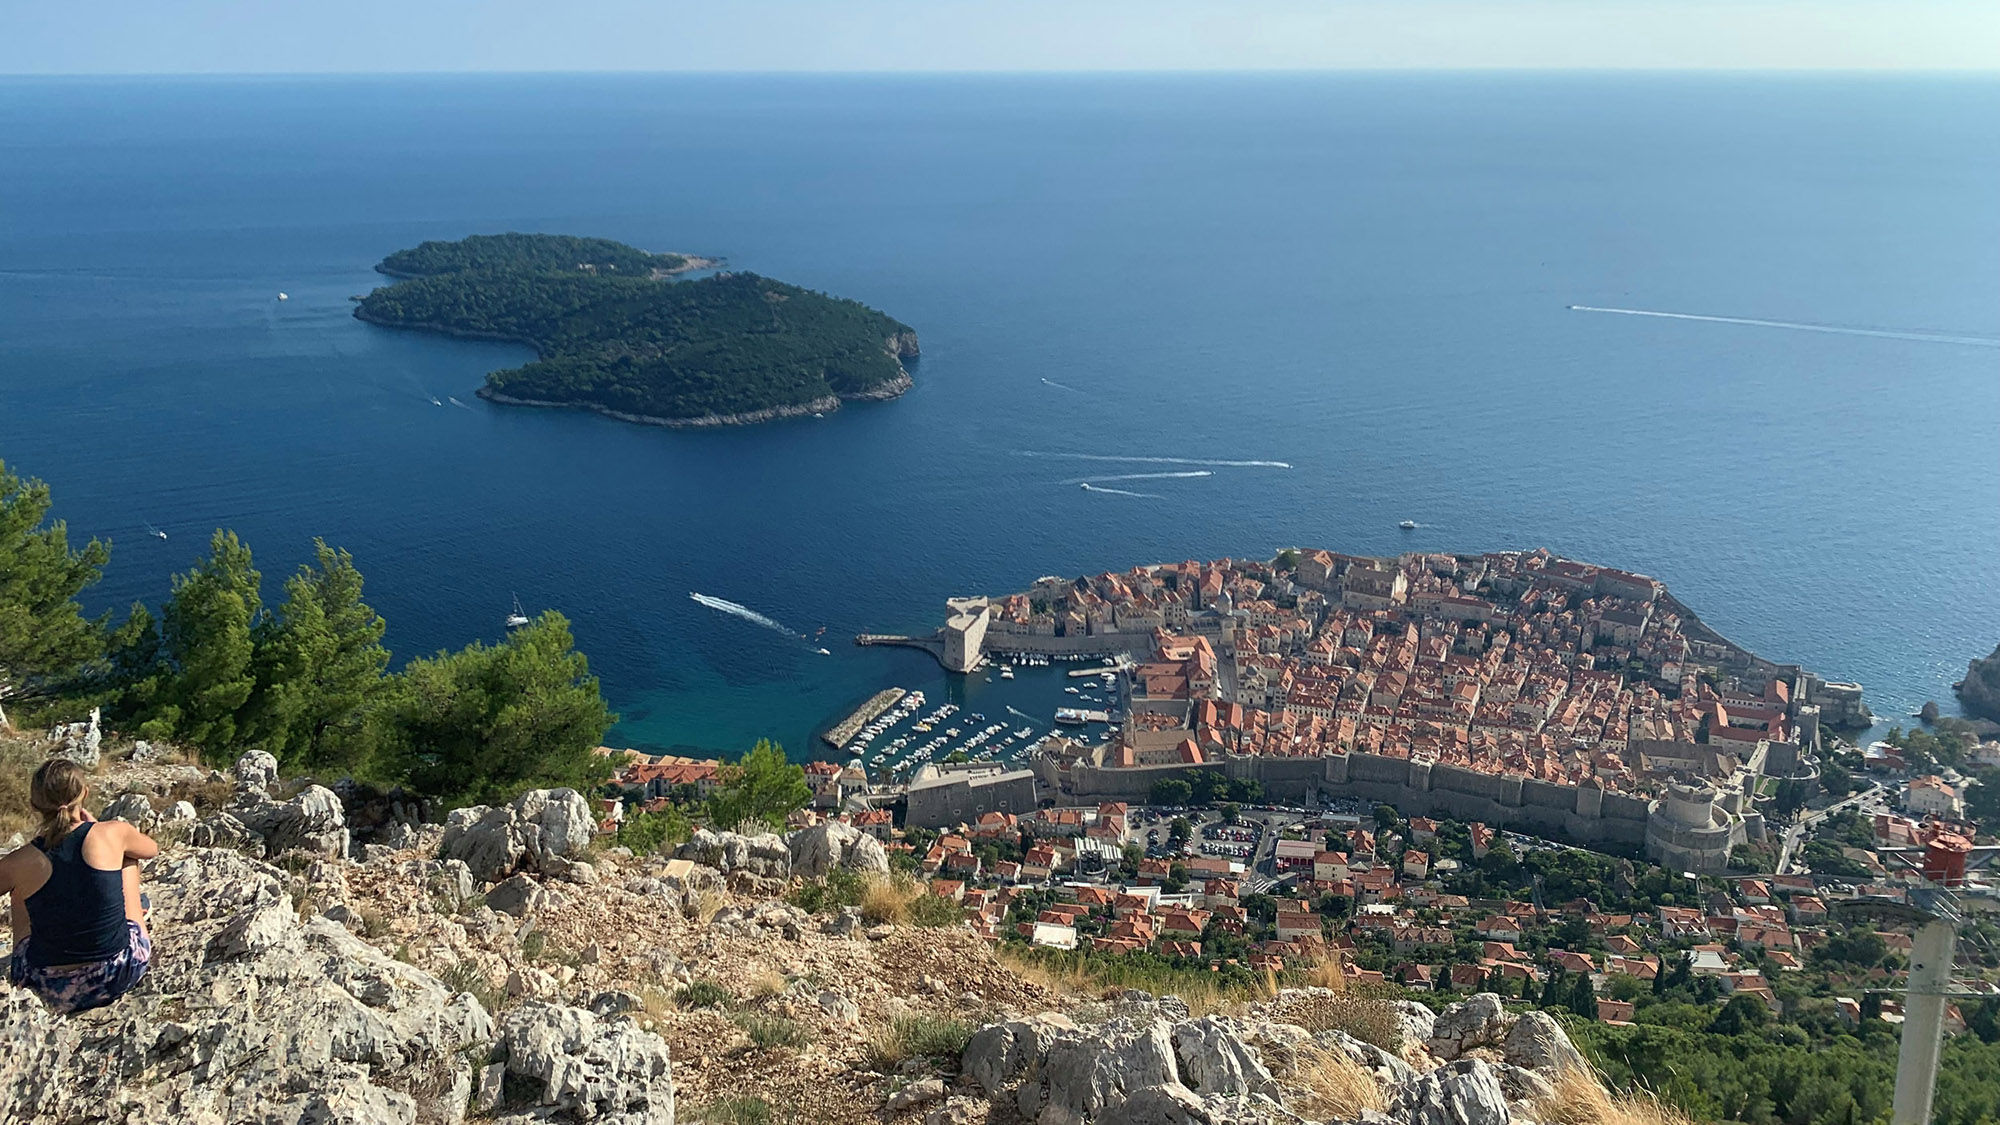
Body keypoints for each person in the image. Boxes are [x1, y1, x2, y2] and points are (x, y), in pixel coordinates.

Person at [0, 758, 157, 1014]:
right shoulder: (113, 832)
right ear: (85, 792)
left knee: (19, 890)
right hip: (115, 973)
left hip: (44, 985)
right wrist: (98, 829)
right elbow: (150, 849)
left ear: (33, 805)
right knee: (128, 857)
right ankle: (134, 913)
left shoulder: (20, 860)